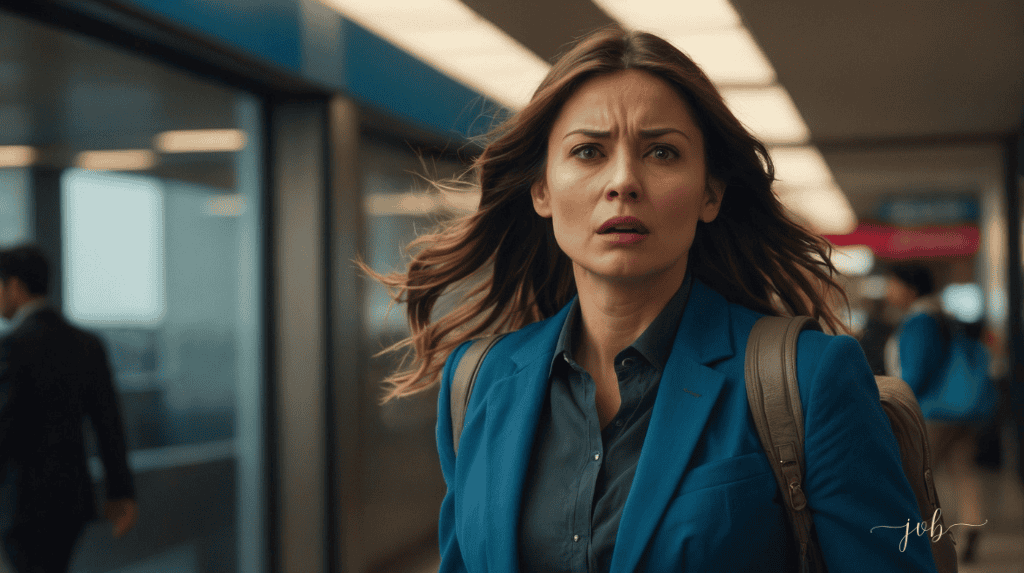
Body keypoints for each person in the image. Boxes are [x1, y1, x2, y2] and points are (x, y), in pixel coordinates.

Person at [366, 27, 936, 571]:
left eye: (661, 153)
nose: (623, 182)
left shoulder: (810, 380)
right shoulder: (478, 383)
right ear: (542, 189)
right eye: (588, 152)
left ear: (710, 192)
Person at [0, 245, 137, 572]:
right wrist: (122, 493)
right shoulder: (87, 344)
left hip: (22, 505)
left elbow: (4, 428)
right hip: (71, 501)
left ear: (15, 287)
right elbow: (109, 424)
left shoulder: (12, 347)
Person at [885, 263, 988, 564]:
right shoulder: (943, 314)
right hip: (961, 409)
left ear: (910, 288)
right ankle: (971, 528)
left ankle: (919, 543)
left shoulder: (919, 321)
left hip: (933, 412)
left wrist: (896, 403)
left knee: (913, 477)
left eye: (893, 284)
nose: (889, 291)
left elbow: (915, 372)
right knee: (963, 472)